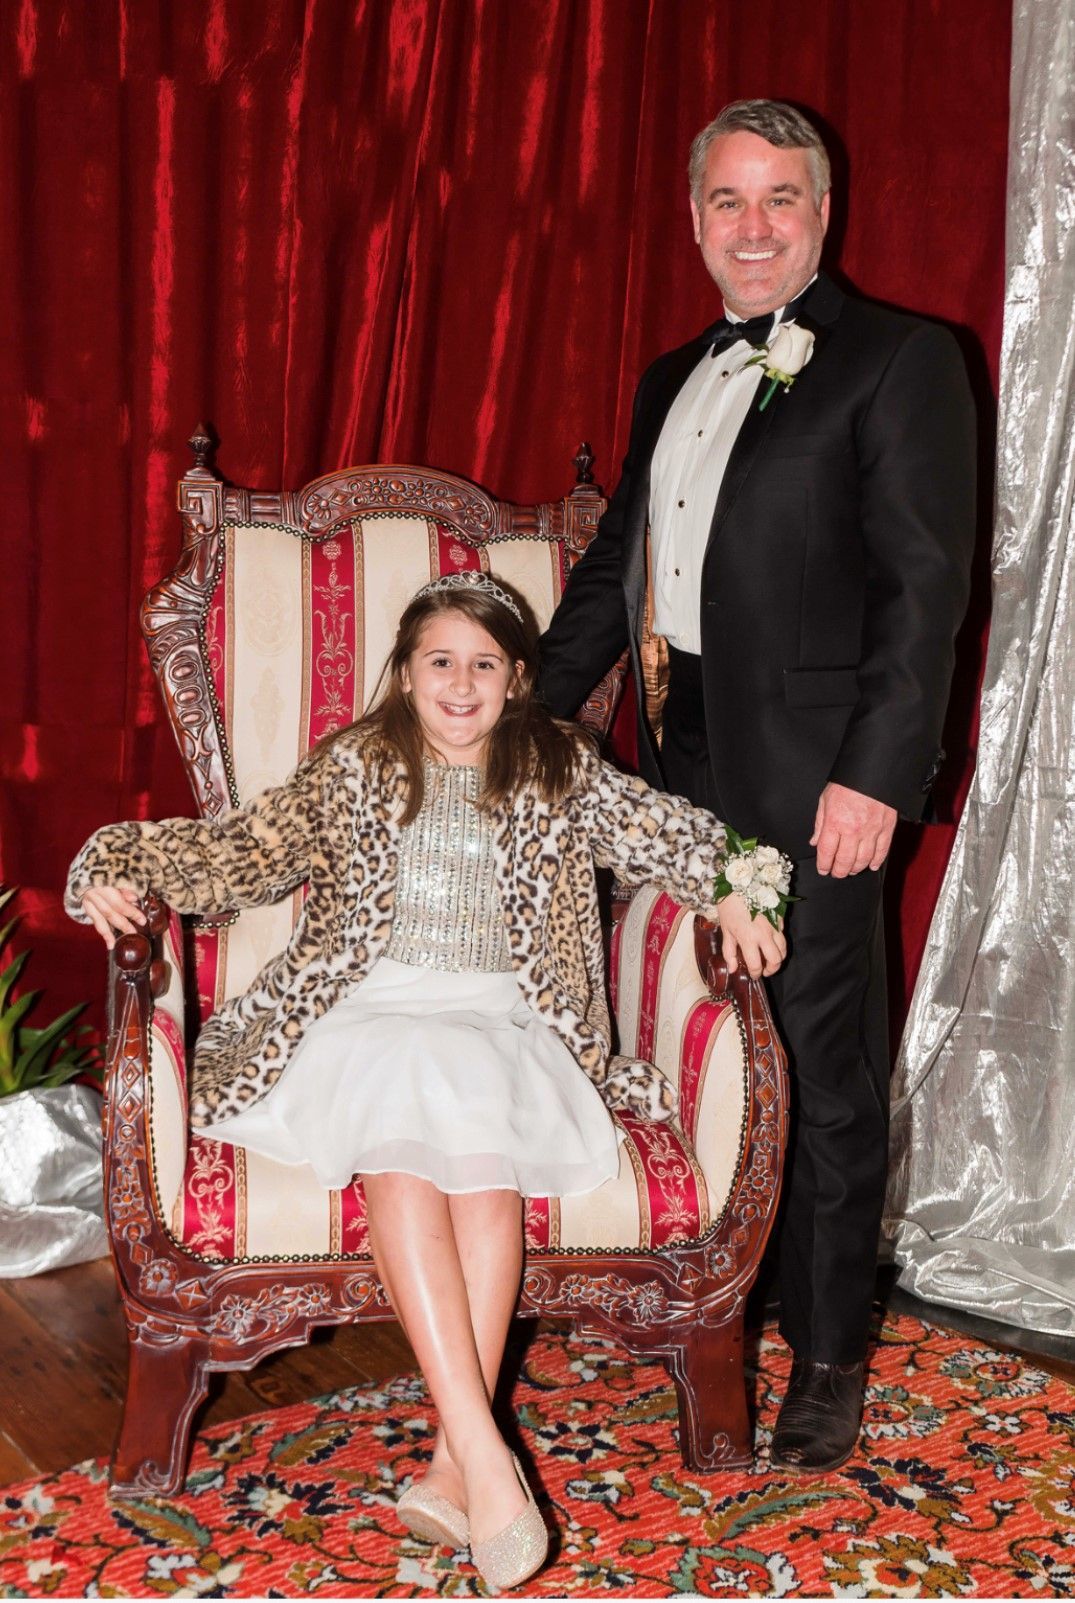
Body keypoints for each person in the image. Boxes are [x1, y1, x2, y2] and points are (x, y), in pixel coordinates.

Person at [67, 570, 789, 1590]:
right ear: (405, 673)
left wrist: (735, 887)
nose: (460, 683)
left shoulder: (559, 765)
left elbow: (674, 833)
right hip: (367, 1013)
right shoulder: (354, 765)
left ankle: (459, 1463)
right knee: (407, 1132)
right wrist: (114, 859)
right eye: (439, 660)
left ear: (516, 679)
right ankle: (487, 1457)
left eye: (484, 664)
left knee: (481, 1164)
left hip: (505, 1017)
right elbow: (231, 857)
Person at [538, 99, 977, 1473]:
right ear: (692, 218)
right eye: (726, 199)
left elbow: (923, 592)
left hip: (814, 780)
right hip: (677, 765)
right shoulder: (672, 373)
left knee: (820, 1063)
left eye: (778, 197)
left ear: (822, 212)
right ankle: (739, 1287)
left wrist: (874, 778)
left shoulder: (898, 359)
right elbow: (616, 566)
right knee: (702, 1036)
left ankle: (830, 1350)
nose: (752, 225)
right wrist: (514, 719)